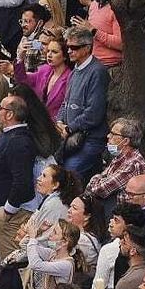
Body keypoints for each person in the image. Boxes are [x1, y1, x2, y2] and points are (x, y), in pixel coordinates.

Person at [0, 95, 40, 263]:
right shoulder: (9, 136)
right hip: (5, 210)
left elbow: (22, 181)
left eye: (0, 109)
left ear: (10, 114)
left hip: (13, 215)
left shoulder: (18, 141)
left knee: (11, 264)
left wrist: (8, 210)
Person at [55, 27, 108, 177]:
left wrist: (69, 128)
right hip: (71, 139)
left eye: (74, 47)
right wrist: (59, 122)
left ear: (87, 48)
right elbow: (65, 103)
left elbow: (94, 113)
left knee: (67, 174)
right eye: (67, 47)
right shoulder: (74, 72)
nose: (69, 51)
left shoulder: (98, 72)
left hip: (90, 140)